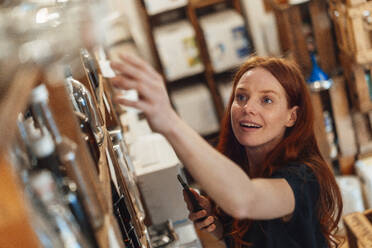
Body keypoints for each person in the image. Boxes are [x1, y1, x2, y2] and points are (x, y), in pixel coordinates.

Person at [110, 54, 343, 248]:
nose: (248, 108)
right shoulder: (243, 167)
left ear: (291, 116)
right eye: (241, 97)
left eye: (267, 100)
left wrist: (168, 120)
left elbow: (246, 200)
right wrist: (221, 228)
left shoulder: (303, 177)